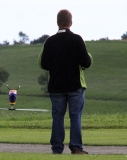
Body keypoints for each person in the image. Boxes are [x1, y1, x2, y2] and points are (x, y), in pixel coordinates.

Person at [38, 9, 93, 154]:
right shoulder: (77, 39)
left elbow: (43, 63)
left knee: (57, 117)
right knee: (75, 116)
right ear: (71, 22)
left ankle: (57, 148)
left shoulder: (49, 41)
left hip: (56, 86)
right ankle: (76, 147)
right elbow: (86, 62)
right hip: (75, 85)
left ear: (57, 23)